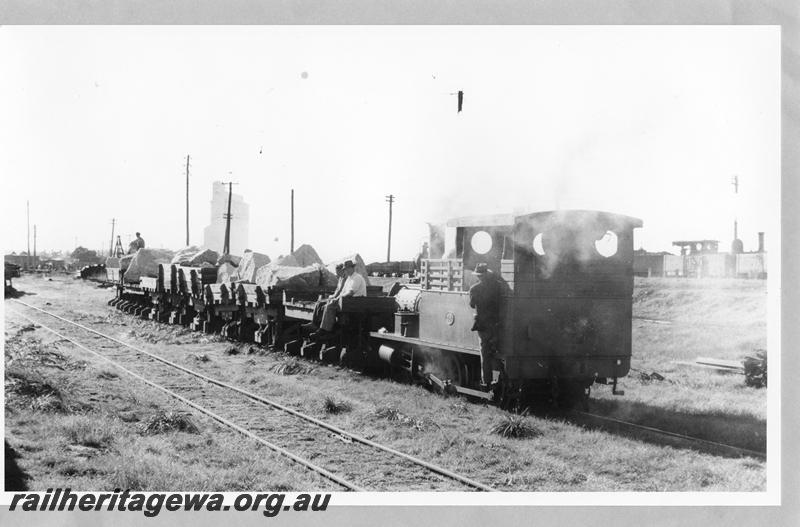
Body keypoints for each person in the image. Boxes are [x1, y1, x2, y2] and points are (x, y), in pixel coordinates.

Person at [469, 262, 504, 390]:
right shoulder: (497, 287)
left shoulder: (474, 289)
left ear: (478, 276)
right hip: (495, 325)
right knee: (496, 350)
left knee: (484, 352)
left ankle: (486, 380)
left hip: (483, 325)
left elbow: (472, 304)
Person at [317, 260, 366, 333]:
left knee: (329, 306)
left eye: (347, 269)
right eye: (345, 269)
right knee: (325, 305)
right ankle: (323, 326)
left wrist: (337, 299)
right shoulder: (349, 278)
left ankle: (325, 330)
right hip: (349, 301)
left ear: (352, 268)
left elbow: (350, 293)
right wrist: (336, 298)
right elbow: (343, 292)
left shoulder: (357, 278)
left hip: (356, 302)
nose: (346, 271)